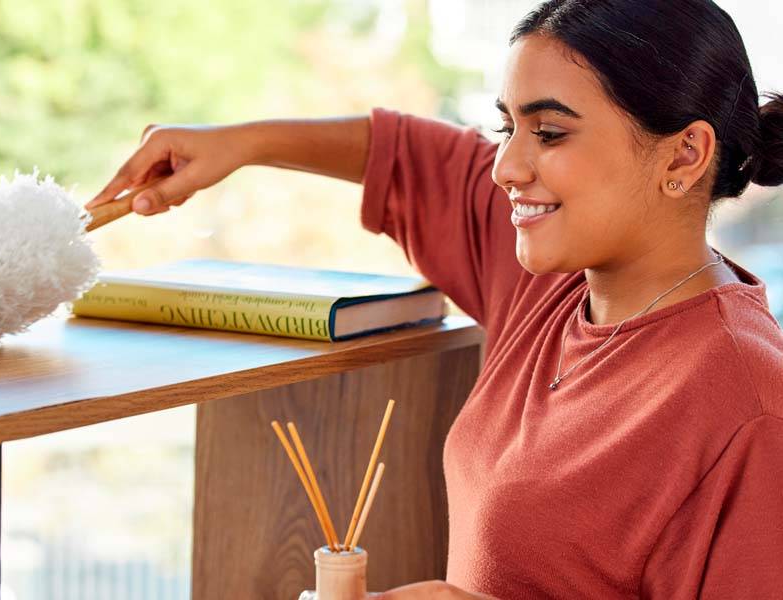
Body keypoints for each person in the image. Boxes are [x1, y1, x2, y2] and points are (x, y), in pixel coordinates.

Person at [87, 1, 783, 597]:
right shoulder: (549, 279)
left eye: (549, 132)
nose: (507, 166)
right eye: (506, 126)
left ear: (685, 156)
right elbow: (411, 156)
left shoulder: (746, 404)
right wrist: (242, 144)